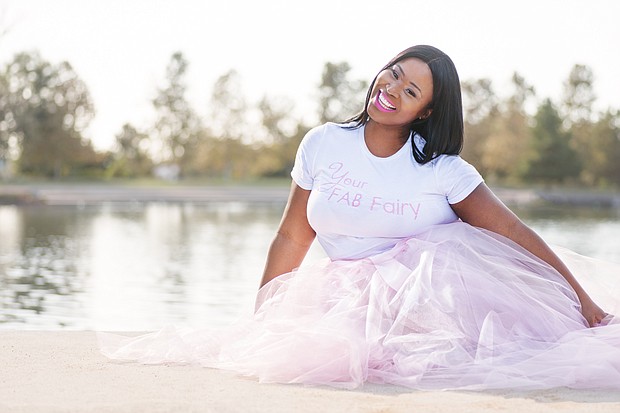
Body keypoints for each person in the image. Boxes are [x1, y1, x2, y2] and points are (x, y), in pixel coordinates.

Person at [100, 45, 620, 390]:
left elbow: (512, 232)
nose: (391, 90)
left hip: (429, 297)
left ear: (427, 113)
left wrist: (586, 303)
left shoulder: (444, 169)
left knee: (492, 359)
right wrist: (261, 317)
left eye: (410, 90)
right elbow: (291, 235)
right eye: (392, 75)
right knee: (307, 357)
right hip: (341, 293)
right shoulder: (324, 143)